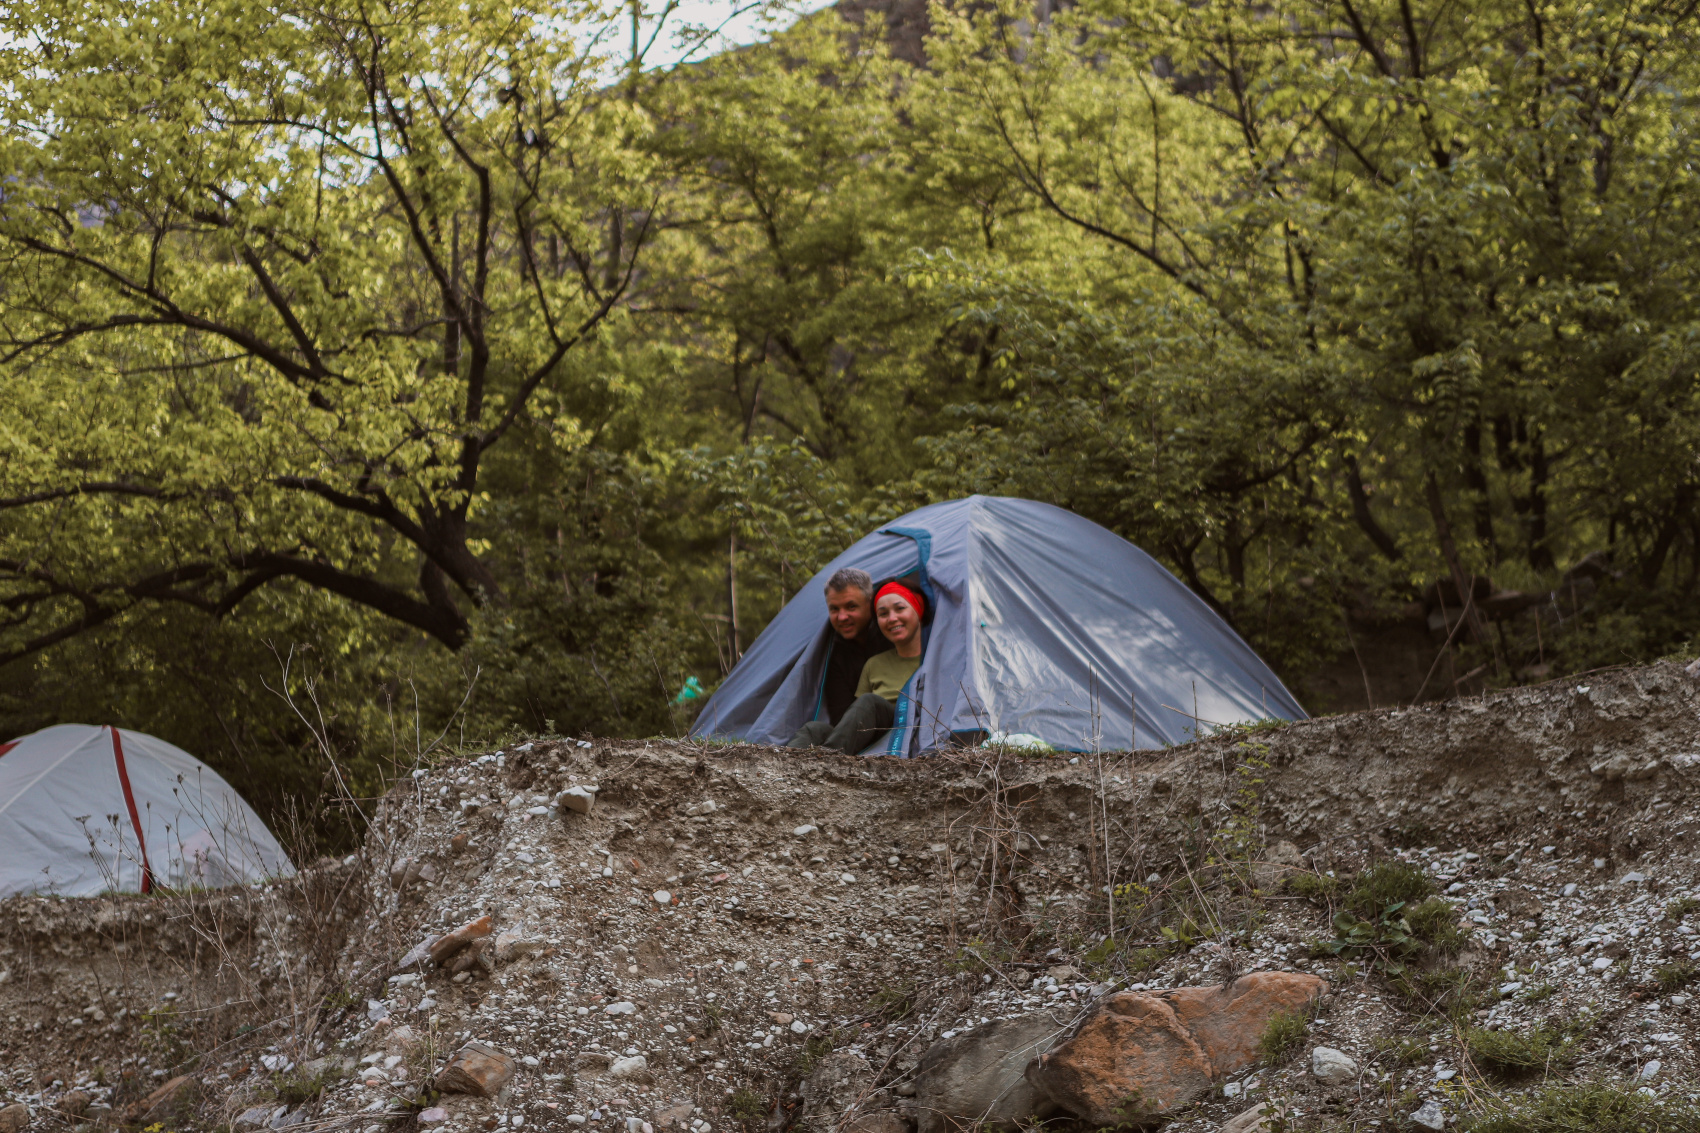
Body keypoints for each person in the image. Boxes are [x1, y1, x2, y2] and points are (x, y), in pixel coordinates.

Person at [788, 579, 925, 754]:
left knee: (870, 702)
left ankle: (828, 760)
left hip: (905, 728)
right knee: (813, 729)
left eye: (900, 609)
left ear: (918, 610)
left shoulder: (932, 660)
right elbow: (857, 716)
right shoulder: (874, 663)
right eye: (883, 614)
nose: (892, 618)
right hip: (874, 734)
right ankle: (781, 770)